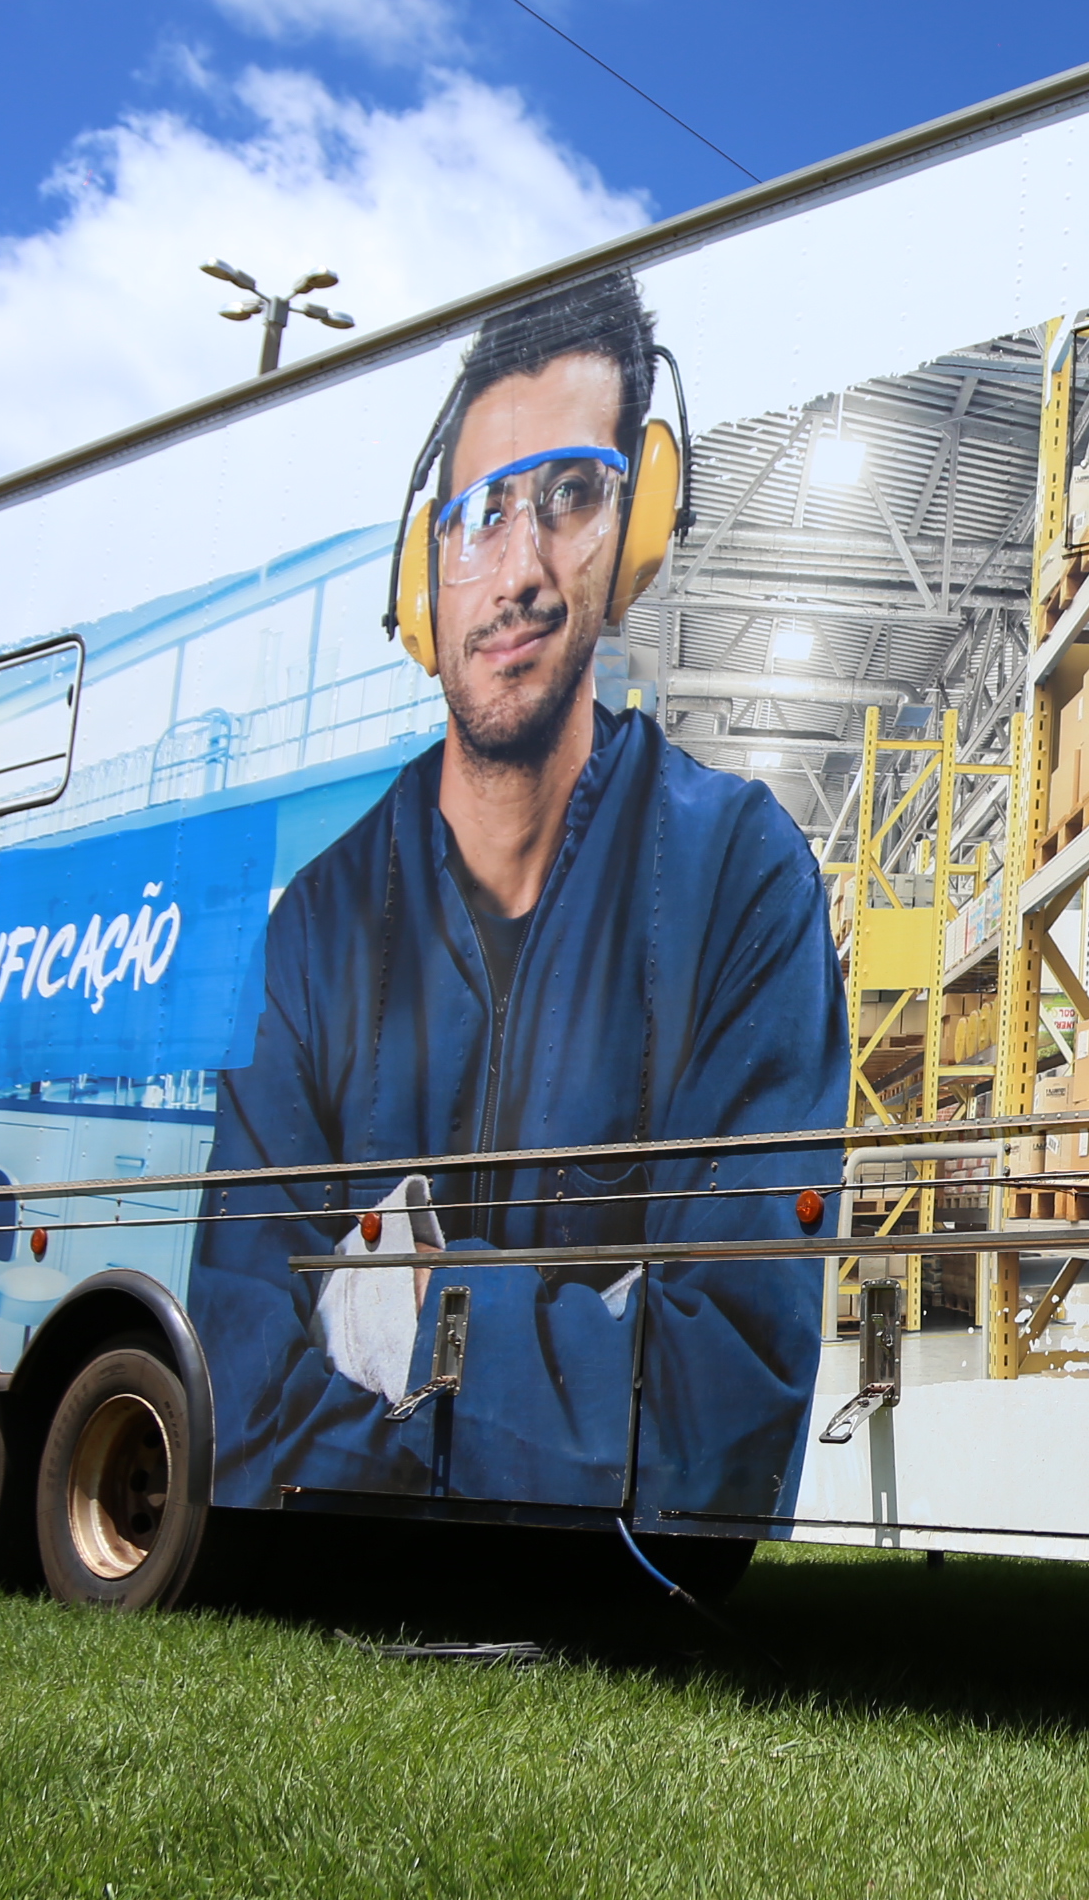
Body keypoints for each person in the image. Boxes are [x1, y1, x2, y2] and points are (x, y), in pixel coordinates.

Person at [193, 268, 849, 1517]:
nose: (521, 569)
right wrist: (565, 1364)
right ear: (421, 569)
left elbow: (719, 1420)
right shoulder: (319, 933)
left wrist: (412, 1300)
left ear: (638, 528)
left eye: (572, 499)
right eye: (480, 516)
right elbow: (234, 1387)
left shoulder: (736, 880)